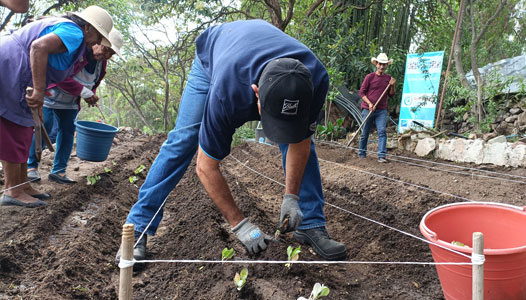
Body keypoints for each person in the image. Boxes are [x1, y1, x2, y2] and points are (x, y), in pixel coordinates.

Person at [117, 20, 347, 263]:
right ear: (256, 93)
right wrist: (240, 224)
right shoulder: (228, 93)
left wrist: (292, 197)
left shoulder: (316, 79)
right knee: (183, 139)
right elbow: (205, 167)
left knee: (300, 138)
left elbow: (300, 141)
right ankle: (138, 227)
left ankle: (311, 223)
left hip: (252, 53)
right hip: (215, 58)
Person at [0, 5, 113, 207]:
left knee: (25, 130)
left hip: (19, 74)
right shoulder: (74, 32)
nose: (98, 41)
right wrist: (38, 92)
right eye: (98, 36)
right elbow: (38, 47)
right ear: (87, 27)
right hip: (10, 69)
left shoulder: (76, 40)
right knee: (14, 129)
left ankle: (22, 184)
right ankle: (13, 190)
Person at [27, 28, 124, 184]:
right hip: (51, 94)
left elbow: (94, 81)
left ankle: (59, 171)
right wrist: (84, 91)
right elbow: (59, 75)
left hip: (70, 101)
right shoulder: (77, 51)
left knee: (67, 131)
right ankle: (30, 167)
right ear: (99, 42)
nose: (106, 55)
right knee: (44, 125)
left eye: (111, 54)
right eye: (106, 49)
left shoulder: (101, 64)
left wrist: (91, 94)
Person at [358, 53, 396, 163]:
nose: (382, 66)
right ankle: (362, 153)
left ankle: (381, 156)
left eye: (384, 64)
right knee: (365, 132)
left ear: (386, 66)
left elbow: (391, 95)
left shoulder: (389, 79)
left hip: (381, 110)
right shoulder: (369, 77)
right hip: (367, 108)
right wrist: (369, 104)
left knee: (382, 131)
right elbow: (361, 93)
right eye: (380, 64)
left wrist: (392, 85)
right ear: (376, 64)